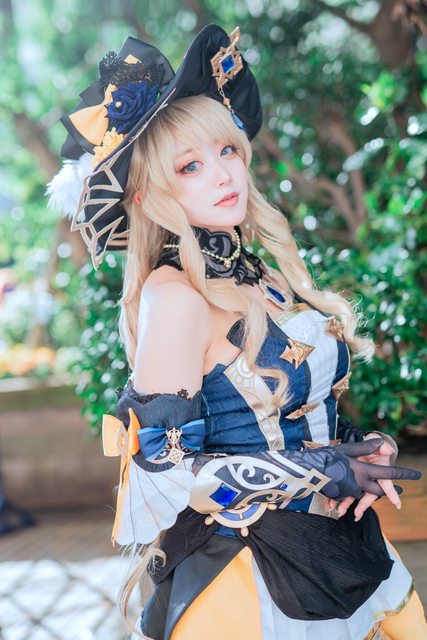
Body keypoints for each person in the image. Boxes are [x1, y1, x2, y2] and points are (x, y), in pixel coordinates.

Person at [49, 24, 426, 640]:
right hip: (249, 586)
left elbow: (299, 412)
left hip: (345, 553)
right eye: (191, 166)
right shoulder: (173, 296)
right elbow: (168, 475)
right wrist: (318, 471)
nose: (224, 175)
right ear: (147, 195)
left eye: (227, 150)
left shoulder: (261, 274)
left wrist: (361, 451)